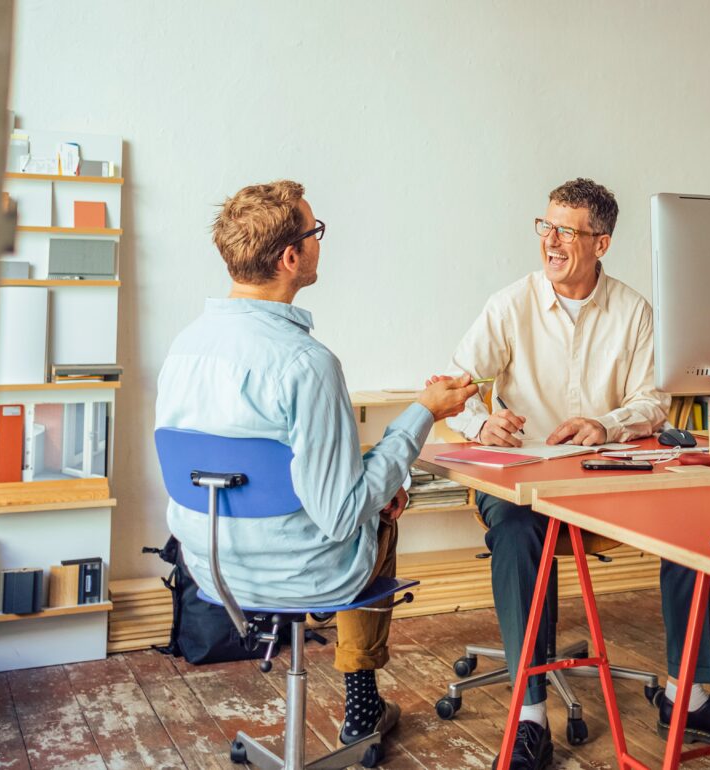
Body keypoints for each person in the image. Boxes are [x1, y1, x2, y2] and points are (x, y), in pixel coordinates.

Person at [445, 178, 710, 769]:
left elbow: (654, 401)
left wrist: (604, 424)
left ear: (601, 243)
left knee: (691, 524)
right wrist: (480, 426)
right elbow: (455, 387)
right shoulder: (510, 305)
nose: (550, 241)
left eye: (566, 231)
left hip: (609, 479)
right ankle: (529, 712)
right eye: (544, 226)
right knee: (520, 532)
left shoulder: (634, 311)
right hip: (525, 480)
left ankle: (688, 693)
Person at [155, 180, 476, 751]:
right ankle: (361, 698)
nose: (320, 242)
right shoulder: (308, 364)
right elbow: (343, 511)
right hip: (304, 574)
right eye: (315, 231)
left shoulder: (184, 349)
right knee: (381, 508)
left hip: (212, 569)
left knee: (371, 489)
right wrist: (423, 413)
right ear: (290, 256)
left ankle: (360, 695)